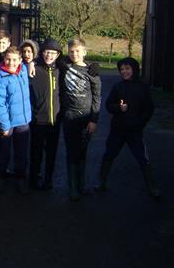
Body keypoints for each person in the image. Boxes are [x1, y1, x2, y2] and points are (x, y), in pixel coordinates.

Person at [96, 57, 160, 198]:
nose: (124, 71)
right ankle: (102, 182)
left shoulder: (142, 87)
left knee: (142, 158)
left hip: (134, 131)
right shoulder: (118, 87)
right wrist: (118, 108)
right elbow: (108, 105)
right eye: (122, 69)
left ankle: (152, 187)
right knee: (109, 154)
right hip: (117, 130)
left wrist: (139, 123)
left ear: (134, 70)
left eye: (127, 69)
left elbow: (149, 109)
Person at [60, 37, 101, 201]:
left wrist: (94, 120)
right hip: (70, 117)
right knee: (71, 151)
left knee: (82, 151)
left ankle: (81, 185)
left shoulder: (92, 72)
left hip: (86, 119)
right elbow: (48, 57)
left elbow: (97, 97)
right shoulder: (64, 65)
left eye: (78, 51)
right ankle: (72, 188)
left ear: (84, 51)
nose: (74, 54)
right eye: (71, 51)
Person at [0, 46, 32, 195]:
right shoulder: (0, 79)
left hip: (23, 120)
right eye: (8, 59)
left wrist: (31, 63)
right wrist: (5, 125)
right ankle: (0, 178)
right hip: (7, 123)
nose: (11, 62)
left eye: (15, 59)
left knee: (21, 153)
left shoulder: (23, 71)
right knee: (3, 153)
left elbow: (32, 60)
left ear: (20, 60)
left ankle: (20, 178)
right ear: (3, 59)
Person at [29, 38, 62, 190]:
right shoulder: (34, 69)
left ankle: (48, 179)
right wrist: (32, 62)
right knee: (35, 153)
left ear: (58, 55)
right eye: (47, 52)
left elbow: (78, 63)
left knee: (51, 153)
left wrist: (91, 66)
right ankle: (34, 179)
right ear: (42, 53)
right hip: (38, 120)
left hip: (54, 121)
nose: (49, 55)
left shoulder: (61, 69)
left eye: (53, 53)